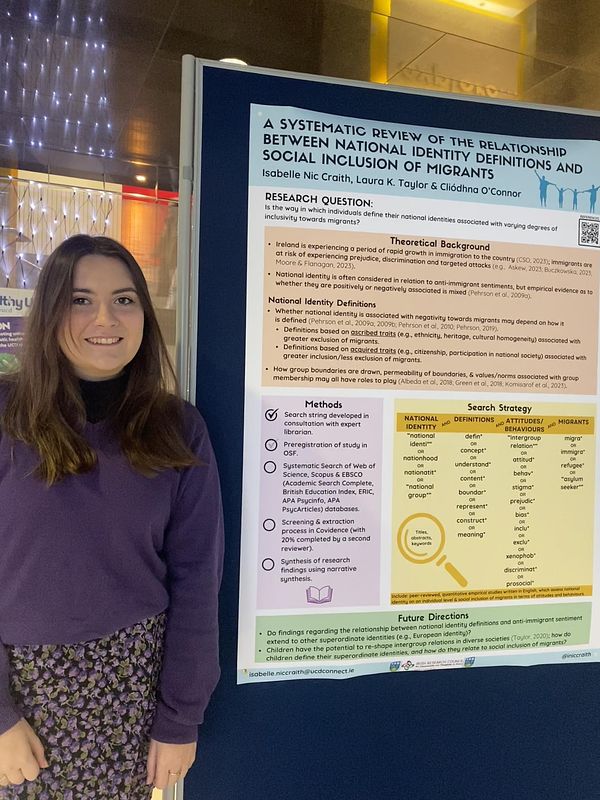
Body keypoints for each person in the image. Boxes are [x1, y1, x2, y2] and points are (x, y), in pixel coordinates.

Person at [0, 235, 224, 798]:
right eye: (81, 300)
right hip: (18, 690)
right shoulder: (6, 416)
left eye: (124, 300)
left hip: (131, 690)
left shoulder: (177, 427)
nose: (106, 317)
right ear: (50, 309)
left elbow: (197, 579)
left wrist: (180, 717)